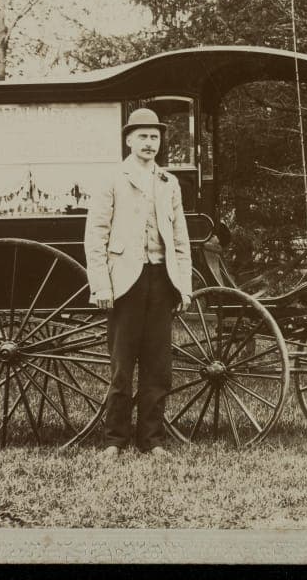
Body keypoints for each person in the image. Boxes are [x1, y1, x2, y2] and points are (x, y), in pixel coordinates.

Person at [84, 107, 192, 459]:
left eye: (154, 137)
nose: (149, 143)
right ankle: (114, 440)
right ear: (129, 140)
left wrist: (184, 286)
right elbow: (96, 236)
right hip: (124, 282)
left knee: (158, 367)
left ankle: (152, 440)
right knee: (122, 365)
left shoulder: (168, 183)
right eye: (142, 136)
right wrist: (101, 285)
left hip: (161, 280)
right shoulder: (112, 179)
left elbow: (180, 239)